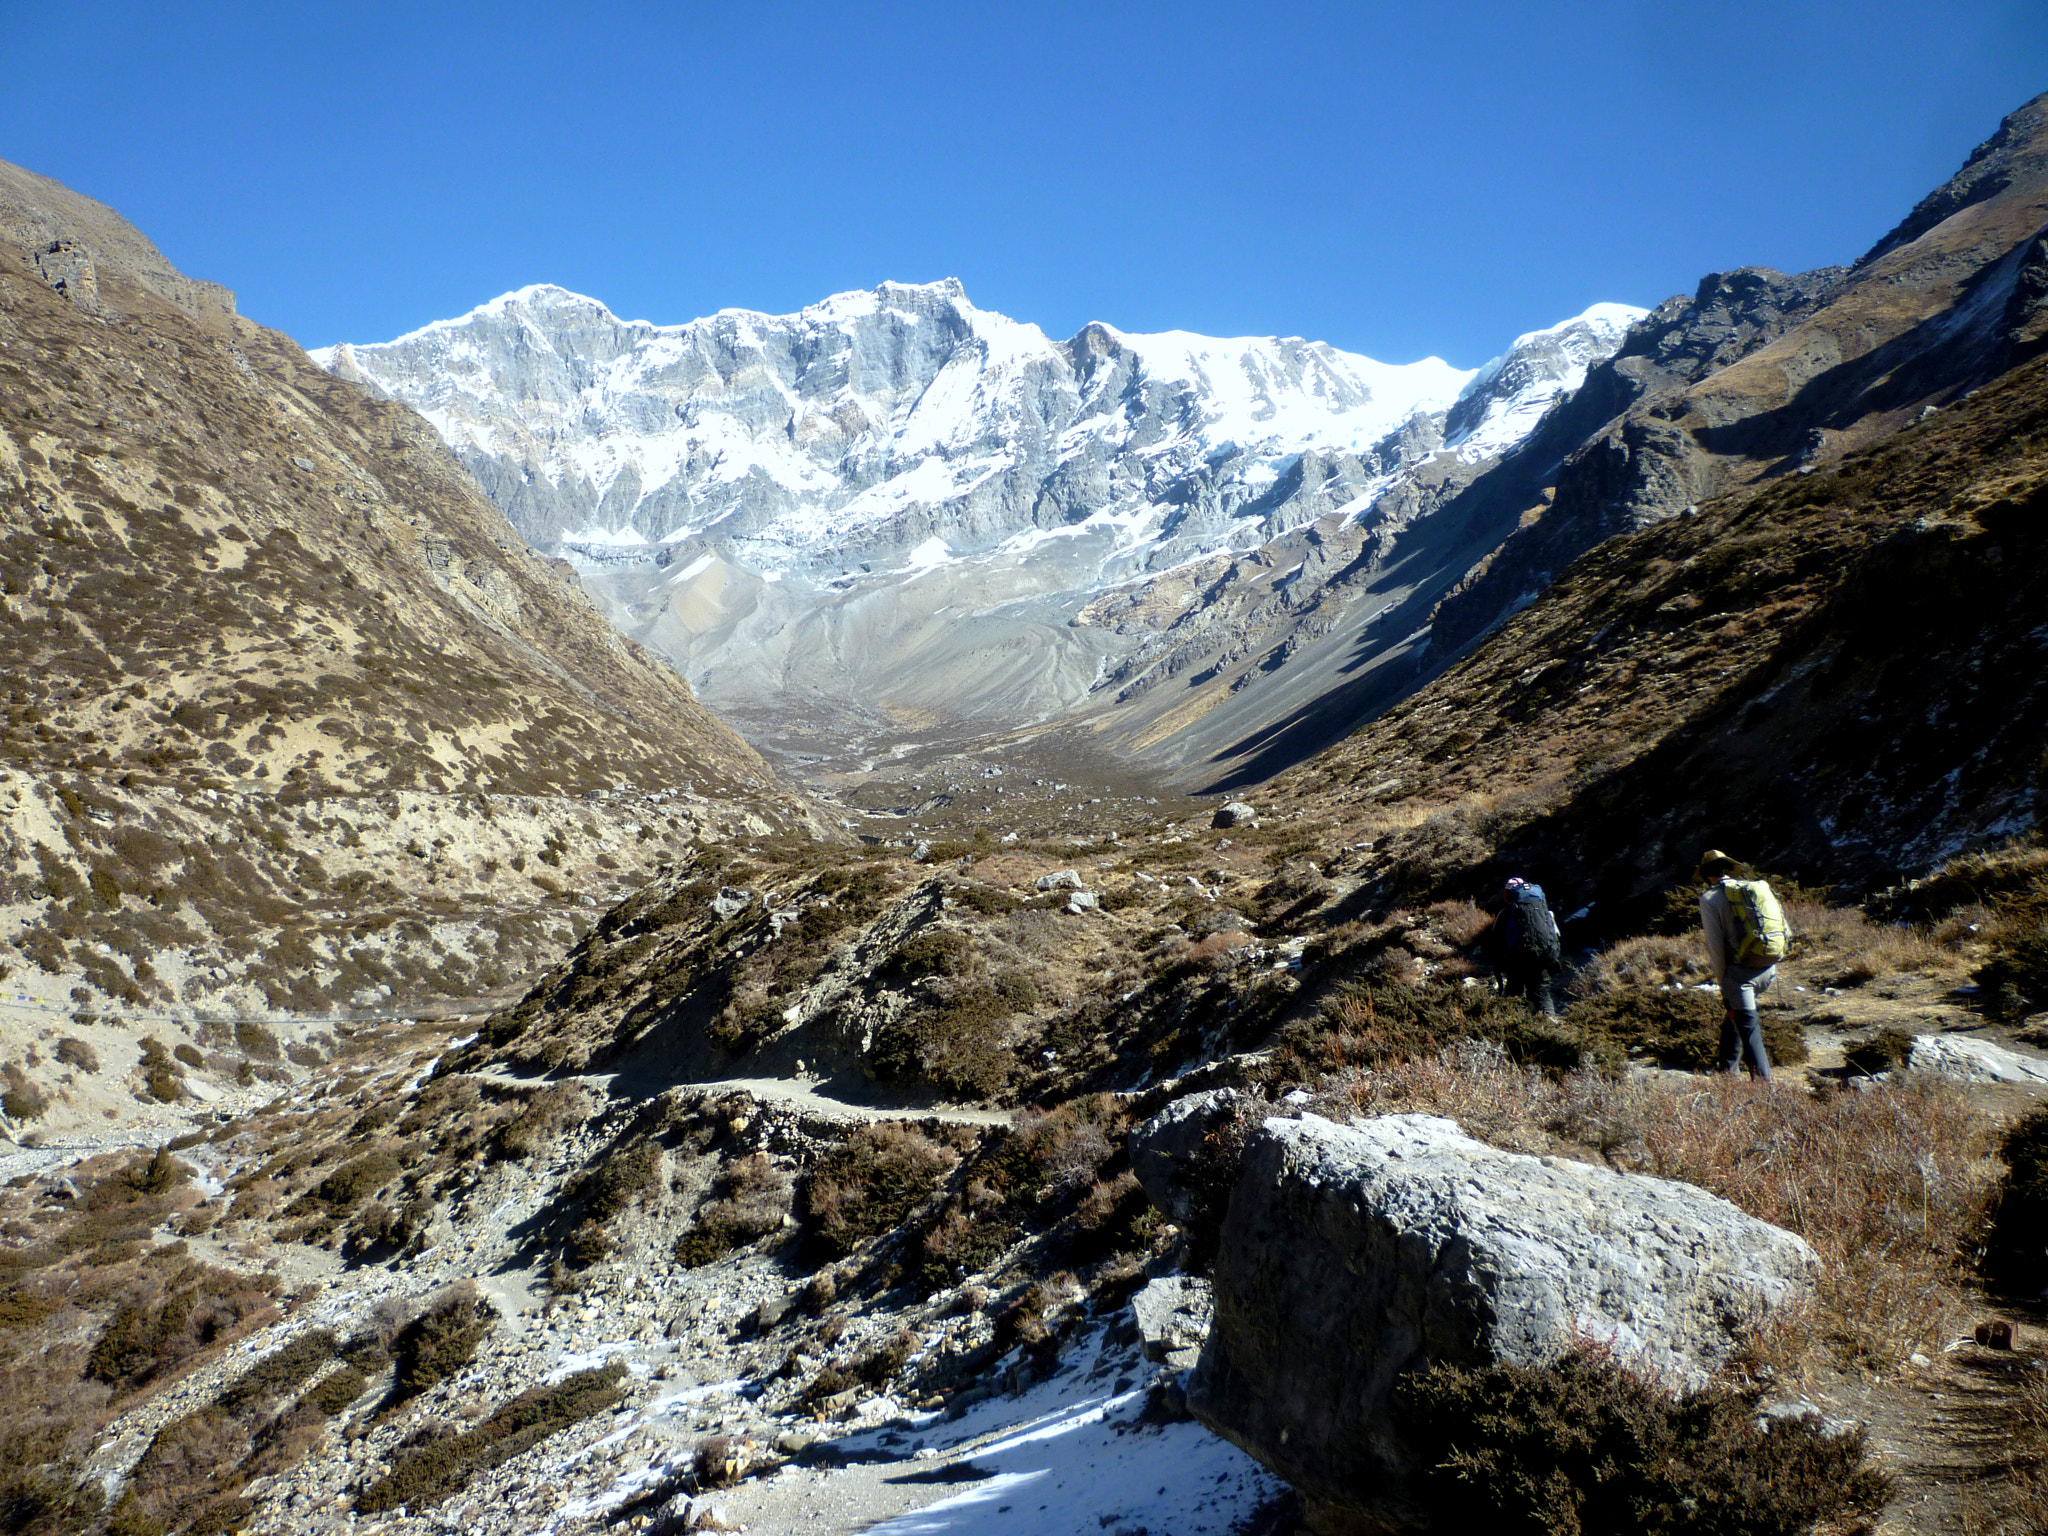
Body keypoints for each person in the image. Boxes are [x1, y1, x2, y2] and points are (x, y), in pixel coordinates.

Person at [1697, 849, 1776, 1080]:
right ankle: (1726, 1072)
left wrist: (1723, 984)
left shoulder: (1710, 898)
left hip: (1741, 978)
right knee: (1734, 1017)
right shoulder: (1753, 888)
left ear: (1705, 875)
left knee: (1750, 1032)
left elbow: (1716, 948)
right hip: (1768, 967)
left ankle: (1766, 1090)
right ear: (1729, 869)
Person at [1491, 876, 1564, 1018]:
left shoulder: (1506, 913)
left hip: (1520, 957)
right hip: (1545, 955)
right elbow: (1555, 934)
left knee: (1513, 994)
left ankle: (1511, 1026)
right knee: (1541, 994)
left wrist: (1499, 971)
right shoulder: (1545, 912)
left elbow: (1496, 944)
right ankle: (1550, 1029)